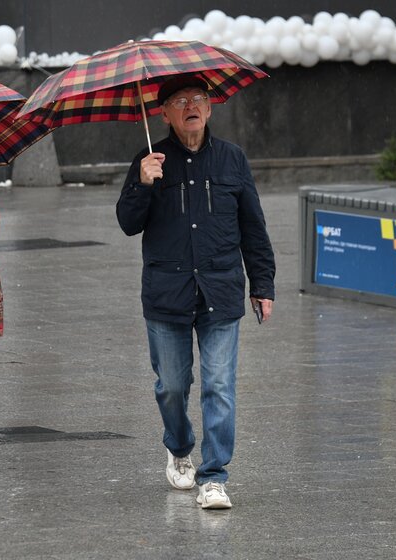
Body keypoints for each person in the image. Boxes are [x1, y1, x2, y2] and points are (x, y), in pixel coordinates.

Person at [116, 74, 276, 509]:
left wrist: (263, 284)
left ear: (209, 108)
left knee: (219, 386)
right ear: (164, 113)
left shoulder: (232, 159)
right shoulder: (149, 160)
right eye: (180, 101)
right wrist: (142, 184)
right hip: (167, 292)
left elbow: (253, 227)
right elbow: (128, 224)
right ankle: (180, 445)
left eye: (198, 99)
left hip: (220, 289)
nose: (191, 106)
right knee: (171, 385)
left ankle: (214, 476)